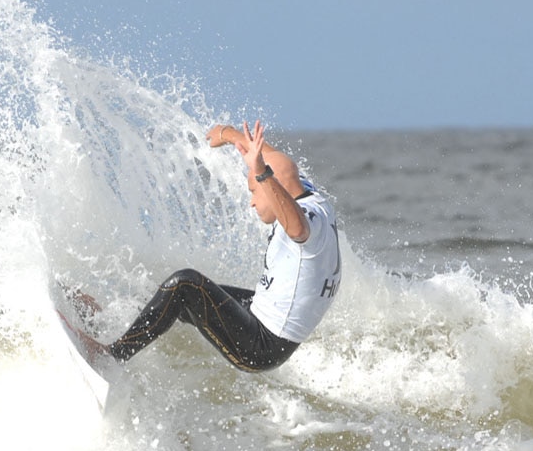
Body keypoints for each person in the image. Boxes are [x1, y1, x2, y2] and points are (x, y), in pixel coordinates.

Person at [74, 119, 342, 372]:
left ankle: (111, 357)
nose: (251, 202)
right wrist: (231, 135)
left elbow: (298, 228)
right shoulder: (308, 195)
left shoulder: (309, 222)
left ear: (274, 189)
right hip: (264, 310)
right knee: (171, 296)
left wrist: (260, 173)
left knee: (184, 284)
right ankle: (109, 319)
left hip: (263, 345)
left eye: (254, 192)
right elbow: (284, 168)